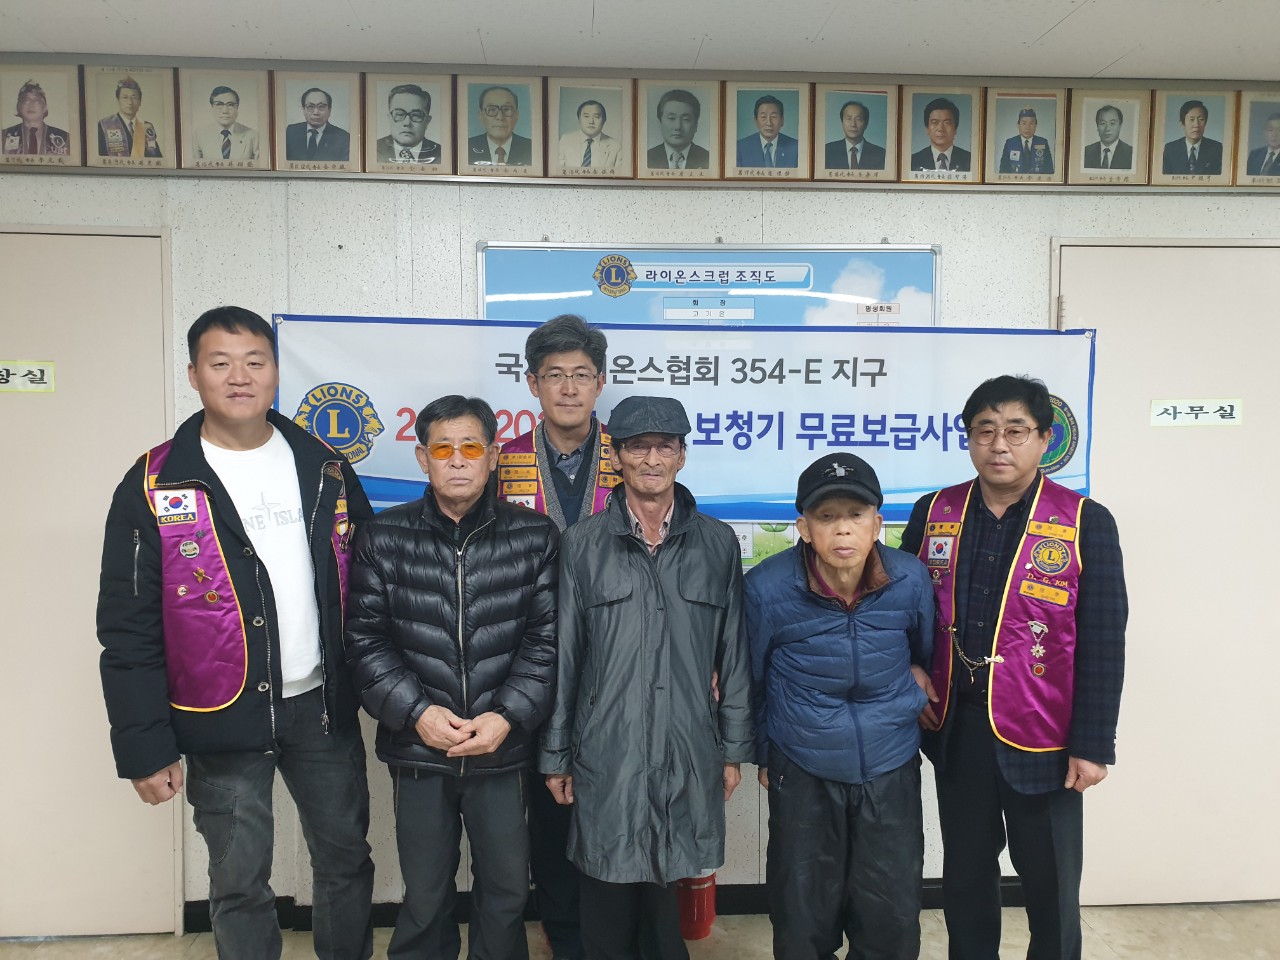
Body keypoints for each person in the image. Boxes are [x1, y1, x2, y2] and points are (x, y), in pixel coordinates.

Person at [97, 306, 375, 960]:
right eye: (220, 363)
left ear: (276, 372)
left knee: (345, 862)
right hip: (220, 714)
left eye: (255, 362)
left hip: (320, 707)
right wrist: (144, 746)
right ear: (194, 374)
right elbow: (127, 626)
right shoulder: (154, 482)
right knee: (239, 880)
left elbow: (370, 583)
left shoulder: (325, 467)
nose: (239, 377)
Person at [900, 375, 1127, 960]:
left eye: (1016, 431)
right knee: (966, 874)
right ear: (969, 438)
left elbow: (1103, 639)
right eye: (985, 430)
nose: (999, 444)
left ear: (1045, 438)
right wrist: (911, 670)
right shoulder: (935, 511)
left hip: (1046, 734)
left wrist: (1092, 744)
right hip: (957, 726)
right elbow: (900, 606)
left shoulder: (1084, 520)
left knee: (1051, 881)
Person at [345, 394, 559, 960]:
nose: (458, 460)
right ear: (423, 458)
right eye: (443, 449)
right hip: (419, 749)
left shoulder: (534, 536)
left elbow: (547, 643)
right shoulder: (384, 537)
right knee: (425, 893)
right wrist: (417, 714)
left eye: (471, 447)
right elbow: (365, 642)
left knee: (507, 891)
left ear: (493, 456)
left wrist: (505, 717)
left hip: (502, 750)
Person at [539, 396, 752, 960]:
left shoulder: (716, 543)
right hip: (608, 745)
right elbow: (566, 655)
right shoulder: (582, 543)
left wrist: (733, 750)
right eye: (637, 447)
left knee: (666, 897)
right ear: (616, 456)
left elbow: (734, 654)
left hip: (687, 742)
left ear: (682, 455)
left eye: (664, 446)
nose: (651, 459)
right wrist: (557, 754)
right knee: (605, 889)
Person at [746, 453, 935, 960]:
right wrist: (765, 755)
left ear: (877, 523)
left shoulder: (910, 578)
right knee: (802, 912)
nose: (843, 530)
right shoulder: (766, 587)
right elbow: (753, 679)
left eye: (855, 514)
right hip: (803, 765)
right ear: (804, 528)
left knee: (891, 912)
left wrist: (914, 689)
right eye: (827, 517)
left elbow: (924, 654)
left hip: (890, 763)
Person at [496, 315, 617, 959]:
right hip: (526, 663)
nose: (568, 389)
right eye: (554, 376)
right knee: (546, 805)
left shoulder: (633, 457)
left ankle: (611, 932)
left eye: (580, 375)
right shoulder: (501, 462)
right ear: (532, 384)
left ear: (600, 382)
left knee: (611, 798)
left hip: (615, 661)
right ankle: (564, 934)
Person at [375, 83, 441, 164]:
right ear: (389, 118)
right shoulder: (372, 149)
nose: (407, 123)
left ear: (427, 121)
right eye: (399, 114)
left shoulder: (442, 154)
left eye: (416, 115)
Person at [97, 75, 161, 158]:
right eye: (125, 97)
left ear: (140, 101)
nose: (130, 102)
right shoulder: (105, 125)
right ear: (118, 100)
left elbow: (156, 157)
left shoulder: (147, 126)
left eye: (134, 98)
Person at [2, 80, 71, 156]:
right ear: (19, 107)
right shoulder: (4, 136)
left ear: (45, 107)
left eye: (36, 101)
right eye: (26, 100)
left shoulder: (65, 138)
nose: (31, 104)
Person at [191, 85, 259, 161]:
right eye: (219, 104)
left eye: (230, 105)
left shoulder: (253, 136)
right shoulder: (199, 135)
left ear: (237, 108)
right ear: (212, 107)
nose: (225, 111)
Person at [467, 86, 532, 166]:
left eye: (506, 109)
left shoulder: (531, 148)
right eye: (492, 109)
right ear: (481, 116)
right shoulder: (466, 147)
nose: (500, 117)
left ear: (517, 115)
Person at [645, 89, 710, 169]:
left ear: (696, 125)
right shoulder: (646, 158)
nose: (678, 127)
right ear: (660, 123)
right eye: (671, 118)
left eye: (686, 119)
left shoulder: (708, 159)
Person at [284, 87, 351, 162]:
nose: (316, 112)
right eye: (310, 106)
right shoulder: (290, 132)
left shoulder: (344, 138)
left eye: (321, 106)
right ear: (303, 110)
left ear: (329, 110)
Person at [1162, 99, 1223, 175]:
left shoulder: (1217, 148)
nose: (1196, 124)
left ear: (1205, 123)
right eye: (1191, 119)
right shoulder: (1170, 149)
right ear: (1182, 123)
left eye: (1201, 119)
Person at [557, 99, 622, 170]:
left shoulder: (616, 146)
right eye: (586, 116)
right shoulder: (565, 141)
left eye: (596, 117)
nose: (591, 121)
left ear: (604, 120)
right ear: (579, 119)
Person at [909, 97, 970, 172]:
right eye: (935, 122)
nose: (941, 129)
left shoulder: (970, 160)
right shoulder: (913, 161)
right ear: (927, 128)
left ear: (955, 129)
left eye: (947, 123)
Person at [736, 94, 798, 167]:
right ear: (756, 121)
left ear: (782, 121)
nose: (769, 123)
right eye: (763, 117)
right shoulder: (740, 147)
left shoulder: (796, 147)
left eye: (774, 117)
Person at [823, 100, 885, 170]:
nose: (853, 124)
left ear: (866, 124)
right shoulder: (827, 151)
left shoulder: (881, 154)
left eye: (858, 119)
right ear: (842, 122)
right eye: (849, 119)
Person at [998, 106, 1053, 174]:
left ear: (1036, 125)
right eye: (1024, 123)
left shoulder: (1043, 142)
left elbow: (1049, 170)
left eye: (1031, 123)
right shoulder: (1010, 143)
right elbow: (1003, 171)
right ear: (1018, 125)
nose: (1027, 127)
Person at [1082, 104, 1133, 170]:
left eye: (1112, 123)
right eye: (1103, 123)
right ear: (1097, 127)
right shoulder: (1086, 152)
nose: (1107, 129)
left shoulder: (1131, 153)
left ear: (1120, 126)